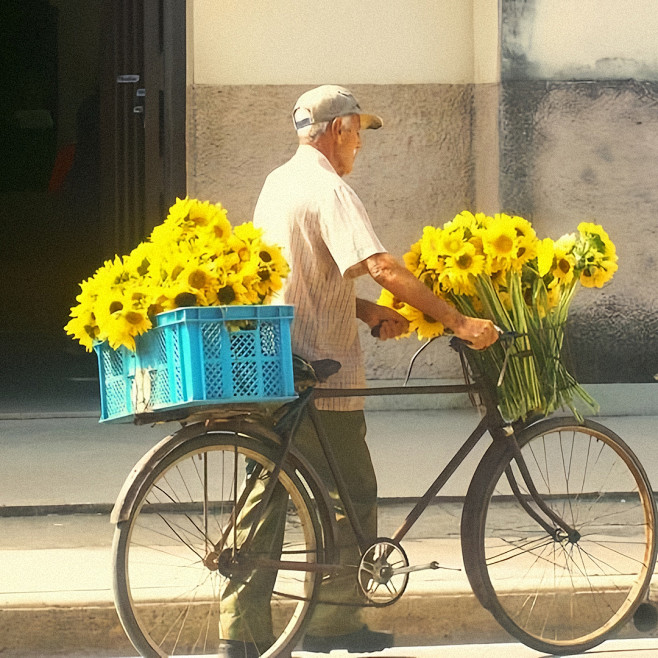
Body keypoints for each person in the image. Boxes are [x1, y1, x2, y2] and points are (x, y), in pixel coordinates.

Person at [219, 85, 499, 657]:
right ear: (337, 130)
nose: (359, 145)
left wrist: (365, 309)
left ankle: (241, 632)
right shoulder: (330, 189)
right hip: (323, 368)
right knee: (350, 493)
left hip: (270, 357)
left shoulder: (278, 183)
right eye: (357, 132)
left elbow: (298, 274)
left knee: (268, 494)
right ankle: (332, 623)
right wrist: (457, 320)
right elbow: (380, 265)